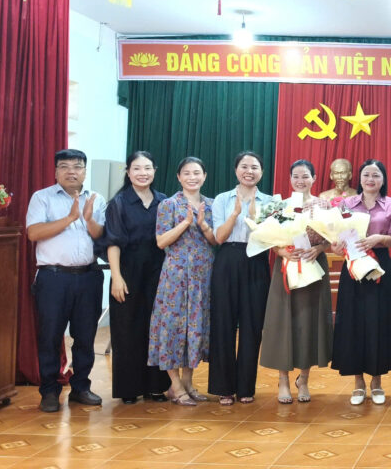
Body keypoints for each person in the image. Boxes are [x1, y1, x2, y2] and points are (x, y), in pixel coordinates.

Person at [26, 149, 107, 413]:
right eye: (64, 166)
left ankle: (81, 387)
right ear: (55, 171)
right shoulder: (42, 197)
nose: (71, 171)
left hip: (89, 276)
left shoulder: (96, 198)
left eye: (77, 166)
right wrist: (70, 218)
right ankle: (49, 391)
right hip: (53, 278)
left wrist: (88, 218)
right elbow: (34, 232)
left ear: (85, 171)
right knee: (50, 335)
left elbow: (100, 236)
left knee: (85, 335)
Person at [331, 159, 391, 405]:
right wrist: (337, 245)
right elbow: (338, 236)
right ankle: (358, 383)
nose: (370, 179)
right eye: (366, 175)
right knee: (353, 322)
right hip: (353, 265)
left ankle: (377, 382)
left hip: (379, 267)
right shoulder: (346, 204)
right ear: (359, 178)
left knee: (378, 322)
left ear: (383, 179)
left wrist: (378, 239)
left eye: (376, 175)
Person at [260, 160, 333, 404]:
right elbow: (268, 238)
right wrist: (281, 251)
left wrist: (319, 248)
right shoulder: (280, 205)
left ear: (314, 178)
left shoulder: (324, 205)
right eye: (296, 176)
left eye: (305, 176)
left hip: (313, 265)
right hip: (287, 265)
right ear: (290, 178)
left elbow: (333, 237)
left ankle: (304, 379)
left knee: (309, 321)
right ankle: (282, 380)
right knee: (284, 320)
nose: (300, 180)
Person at [148, 156, 217, 405]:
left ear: (204, 176)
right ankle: (175, 385)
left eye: (197, 173)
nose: (192, 177)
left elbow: (216, 241)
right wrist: (186, 223)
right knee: (172, 327)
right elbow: (161, 241)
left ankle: (188, 382)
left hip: (203, 275)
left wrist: (203, 225)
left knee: (196, 327)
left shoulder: (211, 205)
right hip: (176, 275)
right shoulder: (168, 204)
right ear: (178, 177)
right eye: (186, 173)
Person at [104, 151, 171, 404]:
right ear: (128, 172)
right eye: (137, 168)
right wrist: (116, 277)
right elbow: (113, 242)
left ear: (154, 171)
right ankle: (129, 389)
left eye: (147, 168)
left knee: (155, 329)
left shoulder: (164, 201)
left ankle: (156, 386)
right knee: (127, 329)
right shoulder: (119, 203)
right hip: (127, 272)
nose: (143, 173)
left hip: (158, 272)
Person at [209, 151, 272, 405]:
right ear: (236, 170)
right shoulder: (222, 199)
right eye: (244, 166)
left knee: (252, 325)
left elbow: (269, 238)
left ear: (262, 172)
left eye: (255, 167)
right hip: (227, 259)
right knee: (223, 322)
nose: (249, 171)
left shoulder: (270, 201)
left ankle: (246, 387)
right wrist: (235, 213)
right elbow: (218, 237)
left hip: (256, 260)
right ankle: (224, 387)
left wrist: (256, 216)